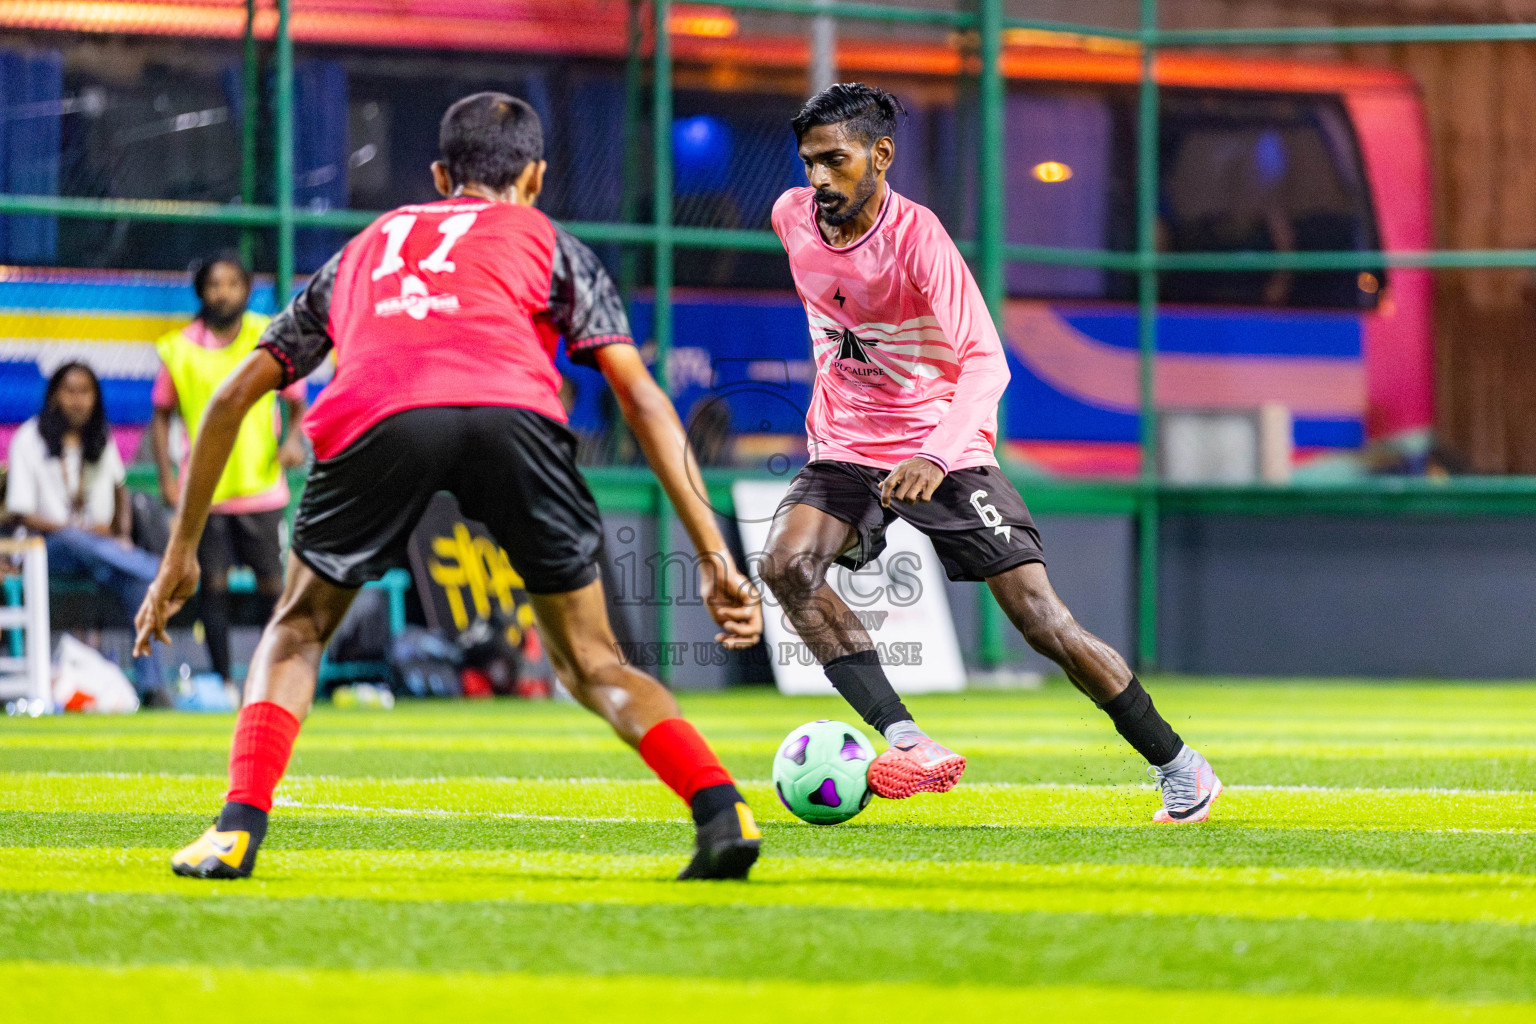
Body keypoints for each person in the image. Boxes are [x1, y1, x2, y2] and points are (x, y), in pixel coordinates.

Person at [135, 92, 766, 880]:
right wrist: (713, 553)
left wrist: (180, 554)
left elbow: (231, 398)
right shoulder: (549, 240)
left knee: (295, 631)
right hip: (516, 416)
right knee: (596, 663)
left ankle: (235, 830)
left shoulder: (368, 246)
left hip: (376, 416)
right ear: (534, 178)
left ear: (439, 175)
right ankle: (721, 807)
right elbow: (641, 398)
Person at [758, 83, 1222, 822]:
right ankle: (906, 739)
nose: (818, 180)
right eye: (809, 162)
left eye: (835, 161)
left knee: (1043, 622)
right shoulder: (791, 217)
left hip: (943, 448)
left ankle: (1178, 763)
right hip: (847, 446)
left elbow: (985, 362)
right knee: (786, 566)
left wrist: (937, 455)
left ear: (881, 156)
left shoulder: (919, 240)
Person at [151, 253, 308, 684]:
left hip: (261, 486)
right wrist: (167, 476)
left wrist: (293, 439)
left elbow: (297, 402)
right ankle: (223, 682)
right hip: (206, 493)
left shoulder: (268, 336)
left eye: (233, 283)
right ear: (201, 291)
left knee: (272, 586)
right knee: (211, 586)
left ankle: (274, 677)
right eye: (214, 284)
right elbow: (161, 417)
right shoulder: (178, 350)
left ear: (247, 289)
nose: (224, 292)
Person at [6, 362, 164, 696]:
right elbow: (21, 514)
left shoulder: (99, 439)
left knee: (141, 586)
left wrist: (121, 534)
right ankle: (156, 568)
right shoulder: (29, 438)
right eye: (70, 391)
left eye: (86, 392)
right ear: (53, 396)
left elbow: (121, 488)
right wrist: (78, 530)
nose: (78, 401)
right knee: (79, 539)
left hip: (99, 553)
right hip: (44, 551)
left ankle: (152, 686)